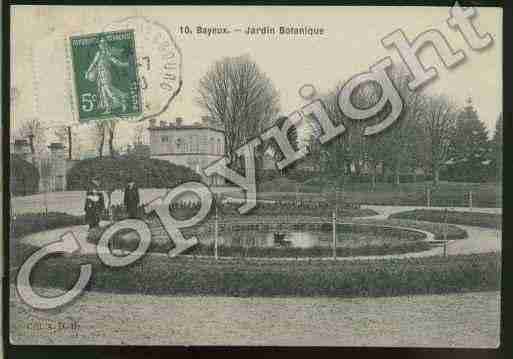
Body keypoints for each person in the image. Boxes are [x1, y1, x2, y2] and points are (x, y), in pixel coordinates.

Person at [85, 36, 130, 115]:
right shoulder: (98, 53)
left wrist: (125, 64)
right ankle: (109, 108)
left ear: (106, 44)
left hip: (105, 73)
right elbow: (93, 63)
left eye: (104, 43)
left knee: (108, 89)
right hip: (99, 74)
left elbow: (116, 62)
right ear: (99, 45)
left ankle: (121, 102)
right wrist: (88, 72)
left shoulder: (108, 53)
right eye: (101, 43)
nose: (102, 44)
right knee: (104, 91)